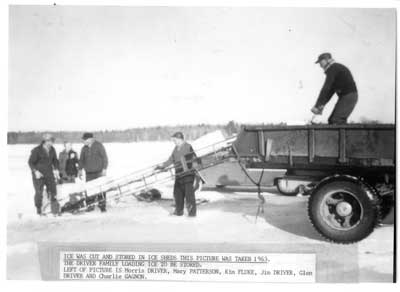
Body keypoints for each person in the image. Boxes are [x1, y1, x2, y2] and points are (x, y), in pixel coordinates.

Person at [155, 132, 200, 217]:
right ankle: (179, 211)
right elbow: (171, 159)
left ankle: (192, 214)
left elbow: (194, 159)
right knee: (177, 193)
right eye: (173, 140)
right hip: (179, 174)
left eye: (175, 140)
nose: (174, 142)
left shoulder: (188, 146)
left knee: (189, 195)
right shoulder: (176, 148)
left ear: (180, 139)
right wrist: (162, 166)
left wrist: (195, 172)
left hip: (188, 175)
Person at [311, 53, 358, 124]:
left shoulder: (333, 68)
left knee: (336, 120)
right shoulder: (335, 68)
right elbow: (330, 91)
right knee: (332, 120)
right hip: (348, 96)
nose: (320, 65)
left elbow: (326, 88)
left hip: (348, 96)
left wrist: (317, 106)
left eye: (320, 62)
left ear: (326, 60)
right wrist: (321, 105)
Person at [28, 133, 60, 216]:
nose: (51, 143)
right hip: (39, 175)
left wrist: (56, 169)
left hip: (49, 174)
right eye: (49, 141)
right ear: (44, 141)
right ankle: (39, 209)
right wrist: (35, 171)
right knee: (39, 193)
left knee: (53, 191)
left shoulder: (52, 149)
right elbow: (30, 162)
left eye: (52, 141)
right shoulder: (37, 150)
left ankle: (55, 211)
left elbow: (55, 160)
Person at [78, 132, 108, 212]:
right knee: (90, 190)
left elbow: (104, 158)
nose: (84, 141)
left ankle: (102, 206)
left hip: (99, 172)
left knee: (101, 190)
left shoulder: (99, 146)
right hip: (89, 173)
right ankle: (90, 206)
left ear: (90, 139)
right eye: (83, 140)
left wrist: (104, 169)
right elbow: (81, 160)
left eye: (85, 139)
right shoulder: (84, 148)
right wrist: (80, 170)